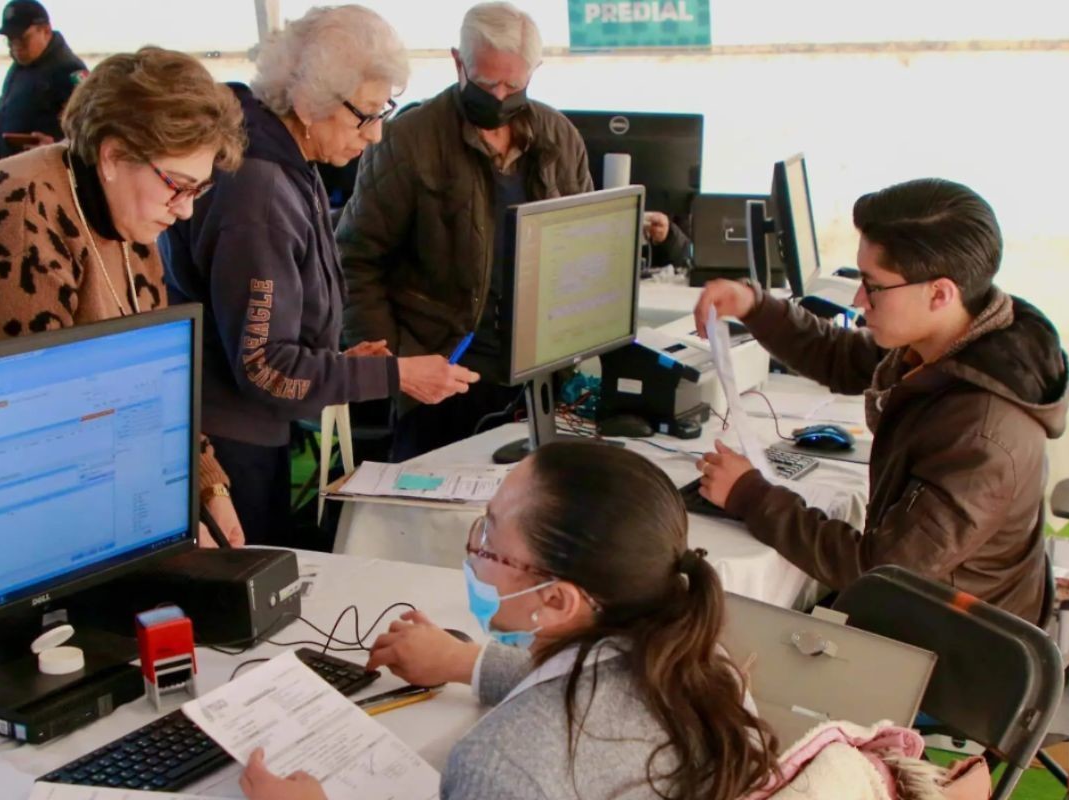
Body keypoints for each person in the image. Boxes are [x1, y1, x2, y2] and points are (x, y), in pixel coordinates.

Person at [237, 442, 778, 799]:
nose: (474, 548)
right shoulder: (702, 662)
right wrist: (465, 662)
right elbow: (597, 691)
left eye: (491, 537)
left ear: (562, 600)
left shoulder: (503, 766)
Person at [0, 47, 249, 547]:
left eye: (199, 190)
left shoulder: (127, 221)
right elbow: (37, 423)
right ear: (113, 155)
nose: (185, 211)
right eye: (177, 186)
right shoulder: (16, 215)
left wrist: (207, 484)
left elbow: (150, 382)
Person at [159, 6, 479, 548]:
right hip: (236, 449)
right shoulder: (258, 190)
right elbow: (264, 368)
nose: (376, 135)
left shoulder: (283, 159)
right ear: (312, 101)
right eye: (367, 114)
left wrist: (336, 365)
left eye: (385, 112)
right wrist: (397, 376)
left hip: (256, 431)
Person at [693, 178, 1068, 624]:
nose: (858, 299)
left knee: (723, 639)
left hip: (953, 648)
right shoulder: (959, 336)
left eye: (873, 286)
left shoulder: (983, 436)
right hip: (930, 607)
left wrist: (750, 495)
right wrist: (755, 306)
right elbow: (843, 357)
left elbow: (878, 569)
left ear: (940, 292)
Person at [337, 2, 594, 461]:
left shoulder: (560, 136)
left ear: (535, 70)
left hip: (537, 374)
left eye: (513, 85)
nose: (498, 96)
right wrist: (393, 366)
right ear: (458, 63)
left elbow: (583, 248)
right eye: (485, 82)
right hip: (439, 374)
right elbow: (355, 258)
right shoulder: (407, 140)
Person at [0, 0, 88, 164]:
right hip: (11, 171)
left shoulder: (69, 70)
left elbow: (90, 129)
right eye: (10, 40)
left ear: (45, 31)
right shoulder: (19, 67)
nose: (15, 47)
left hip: (46, 176)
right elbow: (3, 109)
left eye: (22, 39)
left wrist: (57, 148)